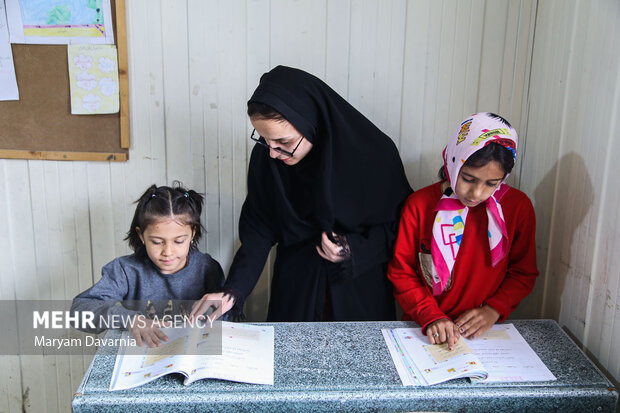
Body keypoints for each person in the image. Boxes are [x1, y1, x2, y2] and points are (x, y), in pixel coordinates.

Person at [191, 65, 412, 322]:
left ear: (311, 123)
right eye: (264, 139)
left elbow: (403, 227)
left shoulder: (375, 155)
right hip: (296, 287)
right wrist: (232, 292)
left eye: (283, 142)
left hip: (359, 288)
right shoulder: (266, 158)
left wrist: (354, 250)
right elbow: (259, 231)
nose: (272, 152)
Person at [387, 112, 538, 349]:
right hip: (425, 329)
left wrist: (494, 309)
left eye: (492, 183)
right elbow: (401, 271)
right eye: (468, 178)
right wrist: (430, 315)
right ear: (453, 162)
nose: (476, 193)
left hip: (486, 333)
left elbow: (523, 272)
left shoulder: (517, 208)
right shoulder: (420, 205)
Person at [71, 183, 226, 347]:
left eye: (179, 241)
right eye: (157, 242)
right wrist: (130, 319)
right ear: (141, 235)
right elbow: (79, 312)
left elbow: (227, 317)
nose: (168, 252)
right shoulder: (125, 270)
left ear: (193, 233)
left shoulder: (207, 267)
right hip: (138, 359)